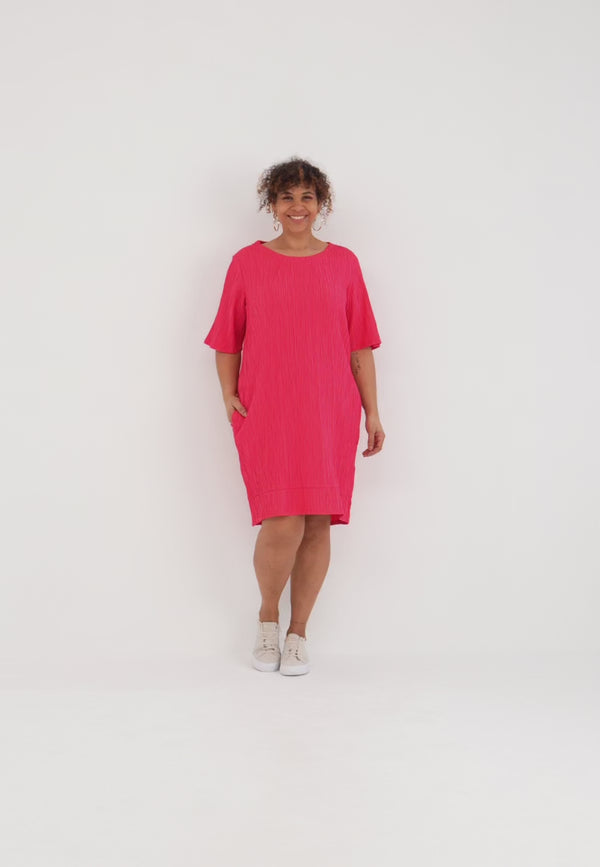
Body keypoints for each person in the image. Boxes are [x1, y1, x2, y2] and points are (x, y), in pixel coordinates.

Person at [204, 156, 385, 676]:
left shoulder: (344, 264)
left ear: (321, 203)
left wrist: (373, 411)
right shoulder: (247, 262)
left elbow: (360, 346)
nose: (297, 207)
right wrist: (228, 394)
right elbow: (227, 339)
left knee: (318, 522)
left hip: (330, 407)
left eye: (307, 197)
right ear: (273, 204)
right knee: (282, 520)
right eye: (287, 197)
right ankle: (267, 619)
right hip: (269, 408)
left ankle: (298, 632)